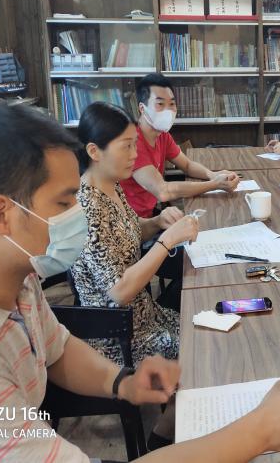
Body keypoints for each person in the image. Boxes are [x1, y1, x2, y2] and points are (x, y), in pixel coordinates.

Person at [0, 104, 280, 461]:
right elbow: (114, 292)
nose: (77, 213)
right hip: (122, 326)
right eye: (63, 202)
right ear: (2, 215)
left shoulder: (15, 278)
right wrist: (262, 431)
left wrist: (122, 382)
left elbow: (57, 347)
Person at [73, 102, 198, 365]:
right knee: (206, 348)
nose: (135, 154)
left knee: (207, 323)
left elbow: (129, 232)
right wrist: (167, 240)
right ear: (94, 151)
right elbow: (119, 291)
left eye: (135, 145)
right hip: (122, 338)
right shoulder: (87, 208)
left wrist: (158, 221)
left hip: (146, 316)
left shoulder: (111, 186)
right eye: (126, 146)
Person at [121, 74, 240, 219]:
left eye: (172, 104)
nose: (168, 110)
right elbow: (163, 191)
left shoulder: (162, 135)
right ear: (142, 108)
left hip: (151, 213)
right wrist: (215, 184)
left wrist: (212, 174)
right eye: (160, 104)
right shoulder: (134, 142)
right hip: (133, 223)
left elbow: (187, 165)